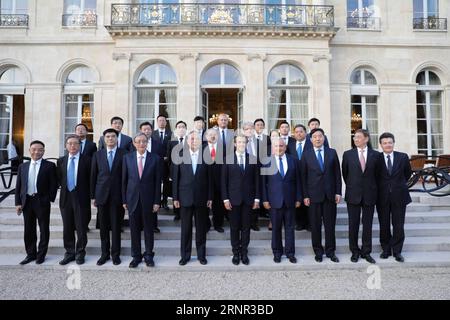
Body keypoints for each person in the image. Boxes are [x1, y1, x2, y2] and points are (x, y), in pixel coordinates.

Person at [301, 128, 341, 263]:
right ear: (311, 139)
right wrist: (305, 195)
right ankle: (318, 251)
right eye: (315, 137)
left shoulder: (332, 152)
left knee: (330, 226)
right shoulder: (306, 154)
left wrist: (338, 192)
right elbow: (303, 176)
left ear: (324, 138)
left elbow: (337, 174)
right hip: (313, 196)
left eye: (320, 136)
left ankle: (331, 251)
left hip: (330, 196)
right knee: (315, 226)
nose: (318, 139)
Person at [172, 132, 213, 266]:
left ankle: (201, 255)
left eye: (196, 139)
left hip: (202, 198)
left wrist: (210, 197)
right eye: (192, 139)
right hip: (185, 197)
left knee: (201, 229)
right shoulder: (180, 155)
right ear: (187, 141)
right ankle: (185, 256)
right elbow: (176, 178)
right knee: (186, 229)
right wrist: (175, 198)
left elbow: (210, 179)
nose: (194, 141)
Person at [122, 133, 162, 268]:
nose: (141, 144)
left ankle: (149, 255)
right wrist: (124, 199)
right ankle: (136, 256)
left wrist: (157, 201)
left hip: (149, 200)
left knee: (149, 230)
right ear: (134, 143)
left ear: (147, 143)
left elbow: (158, 182)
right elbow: (124, 181)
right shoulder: (127, 158)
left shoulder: (155, 158)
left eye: (144, 141)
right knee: (134, 230)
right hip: (132, 199)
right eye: (138, 141)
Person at [15, 140, 57, 265]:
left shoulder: (49, 166)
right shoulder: (23, 166)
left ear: (43, 151)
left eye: (40, 150)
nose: (36, 152)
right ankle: (30, 254)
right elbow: (19, 186)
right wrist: (18, 203)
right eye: (34, 149)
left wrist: (48, 198)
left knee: (44, 229)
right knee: (28, 229)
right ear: (29, 150)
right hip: (27, 201)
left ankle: (41, 254)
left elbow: (54, 184)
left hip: (41, 201)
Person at [90, 128, 127, 266]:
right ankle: (104, 254)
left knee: (116, 227)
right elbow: (93, 176)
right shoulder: (97, 155)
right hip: (101, 196)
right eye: (107, 137)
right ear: (104, 139)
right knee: (104, 228)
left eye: (113, 136)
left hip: (118, 197)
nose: (110, 139)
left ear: (117, 139)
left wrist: (125, 197)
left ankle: (115, 255)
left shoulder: (125, 154)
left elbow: (126, 177)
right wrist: (93, 196)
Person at [262, 138, 302, 264]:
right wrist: (265, 200)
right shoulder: (267, 162)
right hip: (274, 201)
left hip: (290, 200)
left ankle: (290, 253)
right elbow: (263, 183)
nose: (279, 148)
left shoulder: (294, 160)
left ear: (285, 147)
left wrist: (298, 198)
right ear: (273, 148)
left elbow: (298, 181)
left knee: (290, 228)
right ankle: (277, 253)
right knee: (276, 229)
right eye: (276, 146)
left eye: (281, 146)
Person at [342, 129, 379, 264]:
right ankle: (354, 251)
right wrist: (353, 186)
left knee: (367, 225)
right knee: (353, 225)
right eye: (354, 137)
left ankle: (366, 251)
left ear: (366, 139)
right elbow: (345, 174)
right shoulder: (348, 155)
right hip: (353, 194)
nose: (355, 139)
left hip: (370, 194)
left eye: (358, 137)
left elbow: (378, 175)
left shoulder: (376, 155)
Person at [222, 134, 259, 265]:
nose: (242, 144)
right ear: (235, 144)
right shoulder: (228, 159)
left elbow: (257, 181)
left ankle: (244, 253)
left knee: (246, 228)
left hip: (249, 200)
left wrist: (257, 199)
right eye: (239, 142)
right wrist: (225, 199)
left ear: (246, 144)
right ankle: (235, 253)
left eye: (244, 142)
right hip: (233, 200)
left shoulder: (253, 159)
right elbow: (224, 181)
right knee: (234, 227)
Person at [376, 132, 412, 263]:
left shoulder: (402, 157)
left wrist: (396, 186)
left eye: (390, 142)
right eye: (384, 143)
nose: (387, 145)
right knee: (384, 224)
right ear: (380, 145)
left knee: (398, 225)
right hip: (382, 197)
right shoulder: (376, 158)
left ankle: (397, 251)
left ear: (393, 143)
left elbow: (407, 174)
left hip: (399, 196)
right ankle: (386, 250)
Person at [57, 135, 92, 265]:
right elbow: (60, 179)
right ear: (66, 146)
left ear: (80, 145)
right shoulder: (61, 161)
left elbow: (90, 179)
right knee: (67, 226)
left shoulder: (87, 160)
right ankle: (70, 252)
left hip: (81, 197)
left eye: (76, 143)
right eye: (70, 143)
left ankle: (80, 252)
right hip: (66, 197)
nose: (73, 146)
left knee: (81, 226)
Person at [140, 121, 164, 233]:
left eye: (148, 129)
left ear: (152, 130)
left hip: (154, 176)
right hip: (139, 176)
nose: (146, 131)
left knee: (153, 201)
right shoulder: (134, 144)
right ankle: (140, 225)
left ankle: (153, 225)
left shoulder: (158, 144)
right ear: (141, 131)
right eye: (144, 129)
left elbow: (161, 160)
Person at [287, 124, 311, 231]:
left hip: (309, 176)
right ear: (294, 134)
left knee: (308, 200)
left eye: (301, 131)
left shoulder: (311, 144)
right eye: (296, 132)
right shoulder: (290, 145)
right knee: (297, 200)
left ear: (305, 133)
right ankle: (300, 223)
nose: (299, 133)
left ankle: (309, 223)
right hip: (295, 177)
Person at [74, 123, 97, 230]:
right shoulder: (71, 143)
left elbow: (94, 161)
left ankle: (85, 224)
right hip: (73, 176)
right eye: (78, 129)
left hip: (87, 176)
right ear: (75, 132)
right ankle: (74, 223)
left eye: (83, 129)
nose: (80, 131)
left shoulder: (91, 145)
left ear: (87, 132)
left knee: (85, 204)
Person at [167, 120, 187, 221]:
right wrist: (170, 173)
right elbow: (169, 160)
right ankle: (177, 213)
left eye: (183, 127)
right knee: (176, 191)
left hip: (186, 172)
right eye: (179, 127)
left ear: (186, 129)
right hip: (174, 171)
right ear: (176, 129)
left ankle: (184, 210)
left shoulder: (189, 141)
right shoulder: (171, 142)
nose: (181, 128)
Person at [152, 115, 172, 210]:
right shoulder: (152, 134)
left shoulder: (171, 134)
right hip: (155, 163)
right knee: (156, 182)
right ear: (157, 122)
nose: (161, 122)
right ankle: (156, 201)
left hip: (166, 163)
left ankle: (164, 201)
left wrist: (168, 157)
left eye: (163, 120)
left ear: (166, 122)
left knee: (166, 183)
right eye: (159, 120)